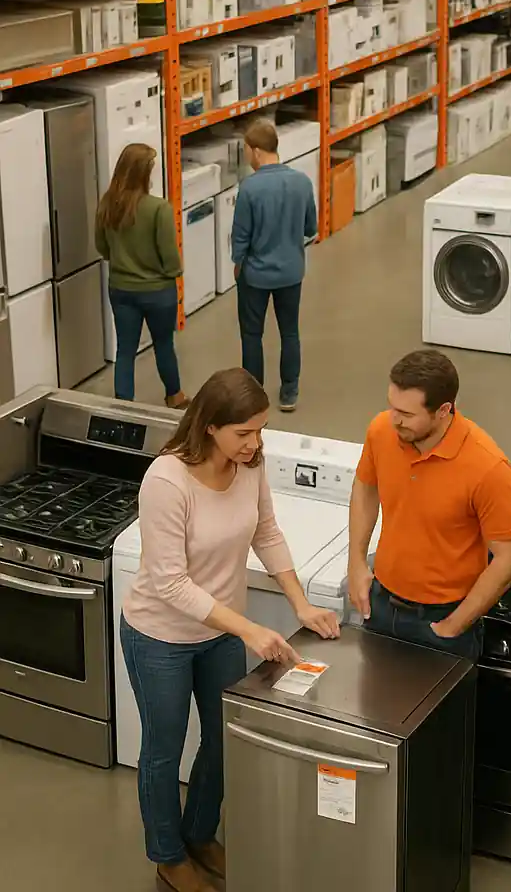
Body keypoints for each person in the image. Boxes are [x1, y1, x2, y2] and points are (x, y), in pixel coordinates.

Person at [120, 367, 340, 892]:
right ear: (211, 426)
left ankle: (199, 835)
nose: (255, 443)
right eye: (244, 433)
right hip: (160, 637)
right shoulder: (166, 480)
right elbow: (170, 583)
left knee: (222, 742)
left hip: (217, 632)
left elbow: (266, 531)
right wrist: (247, 629)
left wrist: (300, 604)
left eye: (260, 430)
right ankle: (167, 857)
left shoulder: (251, 466)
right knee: (163, 749)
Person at [347, 349, 511, 661]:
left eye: (406, 414)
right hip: (379, 605)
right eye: (391, 406)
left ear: (443, 410)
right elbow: (365, 487)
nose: (394, 420)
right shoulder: (381, 431)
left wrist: (454, 626)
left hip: (442, 622)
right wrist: (356, 562)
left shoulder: (487, 468)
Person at [231, 118, 318, 413]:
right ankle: (289, 392)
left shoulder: (250, 189)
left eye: (245, 150)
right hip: (291, 272)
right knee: (289, 331)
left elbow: (240, 237)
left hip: (255, 276)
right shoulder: (302, 182)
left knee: (252, 335)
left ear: (256, 151)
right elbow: (311, 228)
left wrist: (237, 265)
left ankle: (253, 396)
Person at [94, 142, 188, 408]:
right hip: (158, 292)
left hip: (121, 289)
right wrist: (173, 273)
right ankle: (175, 397)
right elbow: (170, 257)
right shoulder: (159, 209)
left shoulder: (107, 205)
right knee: (163, 344)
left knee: (125, 350)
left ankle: (124, 405)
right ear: (144, 174)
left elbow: (102, 247)